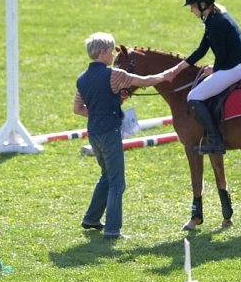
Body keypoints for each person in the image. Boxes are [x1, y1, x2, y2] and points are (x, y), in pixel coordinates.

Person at [73, 32, 174, 239]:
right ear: (102, 52)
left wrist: (100, 112)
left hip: (94, 133)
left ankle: (91, 218)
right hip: (110, 134)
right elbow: (146, 81)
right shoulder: (114, 75)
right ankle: (112, 230)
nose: (113, 56)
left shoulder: (82, 78)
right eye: (111, 51)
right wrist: (167, 75)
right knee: (118, 183)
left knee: (106, 176)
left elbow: (78, 109)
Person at [167, 0, 241, 155]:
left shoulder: (216, 23)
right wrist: (176, 70)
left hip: (236, 68)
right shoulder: (214, 19)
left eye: (192, 6)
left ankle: (216, 141)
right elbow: (201, 50)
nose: (191, 10)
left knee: (193, 96)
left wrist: (214, 70)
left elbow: (221, 55)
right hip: (239, 64)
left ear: (202, 5)